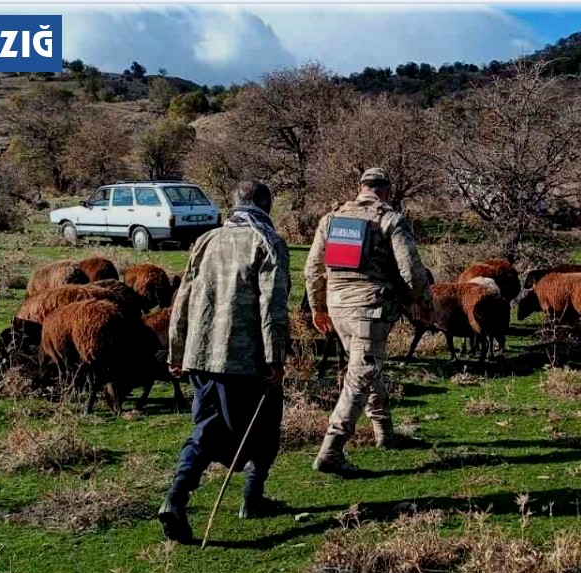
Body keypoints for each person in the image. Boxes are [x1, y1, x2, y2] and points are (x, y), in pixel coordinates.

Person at [158, 180, 291, 543]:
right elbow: (273, 306)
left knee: (205, 430)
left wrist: (177, 351)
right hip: (246, 360)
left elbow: (182, 298)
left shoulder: (206, 240)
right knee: (265, 427)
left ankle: (177, 497)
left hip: (201, 355)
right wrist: (275, 358)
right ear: (266, 204)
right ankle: (252, 497)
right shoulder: (269, 242)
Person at [305, 168, 433, 476]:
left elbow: (312, 269)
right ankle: (331, 450)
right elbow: (411, 270)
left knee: (367, 367)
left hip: (338, 306)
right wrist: (426, 305)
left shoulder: (331, 219)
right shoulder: (391, 220)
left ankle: (384, 432)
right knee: (361, 375)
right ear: (386, 191)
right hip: (370, 308)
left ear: (360, 188)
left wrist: (318, 307)